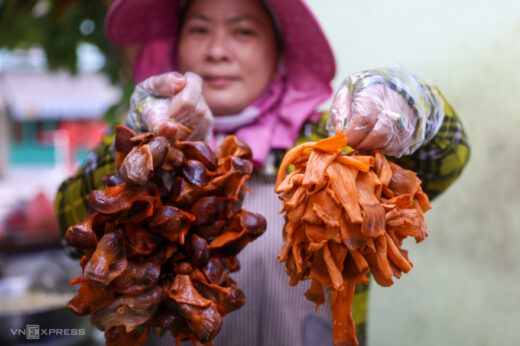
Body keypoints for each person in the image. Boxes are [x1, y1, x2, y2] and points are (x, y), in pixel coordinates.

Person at [55, 0, 471, 345]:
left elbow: (447, 159)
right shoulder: (141, 138)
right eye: (199, 30)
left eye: (243, 32)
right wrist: (148, 154)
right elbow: (69, 222)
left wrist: (413, 106)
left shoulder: (333, 139)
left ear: (279, 51)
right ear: (177, 47)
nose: (217, 50)